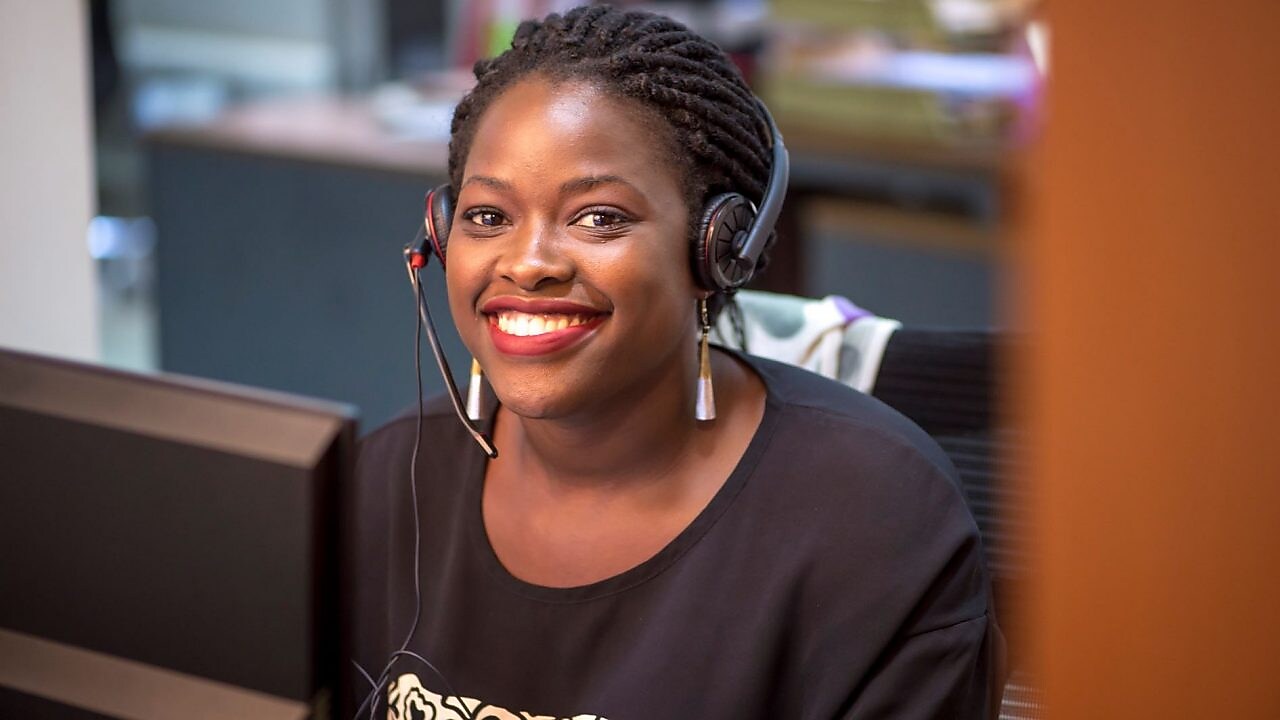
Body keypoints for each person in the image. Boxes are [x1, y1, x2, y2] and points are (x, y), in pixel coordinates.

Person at [350, 6, 1004, 719]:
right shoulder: (390, 478)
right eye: (487, 216)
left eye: (598, 216)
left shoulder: (872, 520)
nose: (528, 263)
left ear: (717, 248)